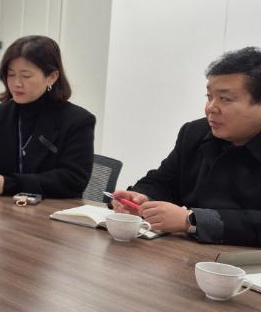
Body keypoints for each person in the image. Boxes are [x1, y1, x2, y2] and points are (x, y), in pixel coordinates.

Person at [110, 47, 261, 246]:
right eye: (209, 97)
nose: (210, 108)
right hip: (190, 257)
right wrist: (141, 198)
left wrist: (190, 220)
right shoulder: (195, 133)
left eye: (224, 99)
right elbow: (163, 181)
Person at [0, 35, 95, 198]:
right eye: (10, 75)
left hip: (49, 214)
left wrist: (9, 185)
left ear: (52, 77)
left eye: (26, 76)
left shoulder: (76, 120)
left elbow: (73, 180)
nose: (16, 83)